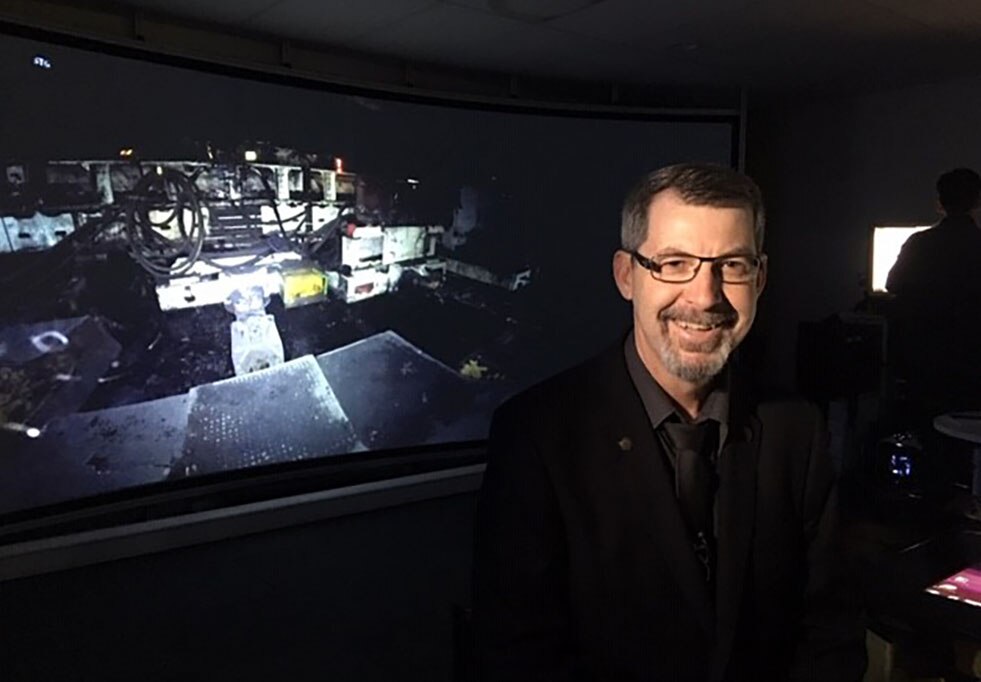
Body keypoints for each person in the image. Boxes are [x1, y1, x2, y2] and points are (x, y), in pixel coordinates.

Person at [472, 163, 867, 681]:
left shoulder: (798, 431)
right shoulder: (537, 435)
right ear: (625, 275)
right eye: (675, 263)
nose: (705, 297)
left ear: (760, 278)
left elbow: (830, 633)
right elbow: (516, 656)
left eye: (732, 265)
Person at [886, 168, 981, 419]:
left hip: (922, 362)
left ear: (939, 202)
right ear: (977, 201)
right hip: (971, 365)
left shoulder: (919, 243)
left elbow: (892, 284)